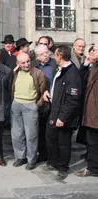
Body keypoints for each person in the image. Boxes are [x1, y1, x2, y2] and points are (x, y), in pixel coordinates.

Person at [42, 45, 82, 180]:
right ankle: (52, 161)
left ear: (60, 56)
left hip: (64, 116)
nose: (53, 57)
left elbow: (73, 99)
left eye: (55, 55)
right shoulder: (59, 69)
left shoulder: (72, 73)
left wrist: (63, 117)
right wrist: (48, 92)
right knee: (50, 138)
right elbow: (54, 85)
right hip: (54, 110)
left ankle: (63, 167)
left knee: (63, 143)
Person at [11, 53, 48, 170]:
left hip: (30, 106)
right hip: (16, 104)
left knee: (31, 135)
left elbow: (44, 92)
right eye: (23, 62)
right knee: (17, 134)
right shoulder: (15, 73)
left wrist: (37, 105)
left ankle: (31, 159)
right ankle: (21, 157)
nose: (26, 64)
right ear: (18, 64)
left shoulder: (38, 73)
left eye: (28, 61)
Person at [32, 44, 58, 163]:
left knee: (51, 131)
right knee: (40, 130)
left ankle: (53, 155)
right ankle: (42, 153)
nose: (46, 55)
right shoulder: (33, 65)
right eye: (43, 54)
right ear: (37, 56)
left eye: (47, 52)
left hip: (52, 101)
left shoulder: (54, 64)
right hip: (38, 102)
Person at [76, 42, 98, 177]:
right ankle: (93, 167)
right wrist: (85, 65)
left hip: (94, 111)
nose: (91, 52)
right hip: (91, 110)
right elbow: (80, 79)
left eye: (94, 50)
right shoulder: (93, 66)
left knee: (93, 142)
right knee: (91, 141)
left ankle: (93, 168)